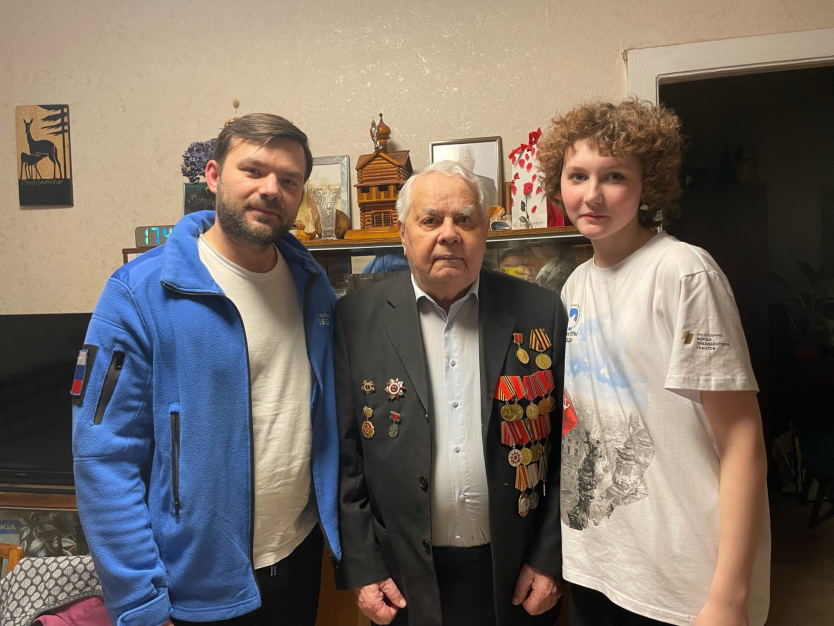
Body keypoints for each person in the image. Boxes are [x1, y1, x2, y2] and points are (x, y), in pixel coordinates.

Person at [71, 114, 341, 626]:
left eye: (289, 180)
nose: (271, 189)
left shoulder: (313, 286)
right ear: (213, 176)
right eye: (253, 171)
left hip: (299, 558)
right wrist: (139, 602)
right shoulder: (138, 293)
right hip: (191, 586)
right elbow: (103, 458)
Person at [538, 100, 770, 626]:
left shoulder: (683, 273)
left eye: (614, 176)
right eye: (578, 176)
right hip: (596, 567)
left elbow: (743, 441)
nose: (592, 194)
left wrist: (729, 599)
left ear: (649, 184)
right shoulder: (575, 285)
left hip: (682, 583)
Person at [333, 160, 566, 626]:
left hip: (515, 573)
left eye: (464, 219)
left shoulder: (540, 310)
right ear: (403, 234)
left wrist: (549, 557)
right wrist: (364, 567)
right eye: (430, 220)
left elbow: (567, 448)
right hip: (402, 578)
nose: (449, 234)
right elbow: (345, 457)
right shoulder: (355, 317)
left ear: (485, 232)